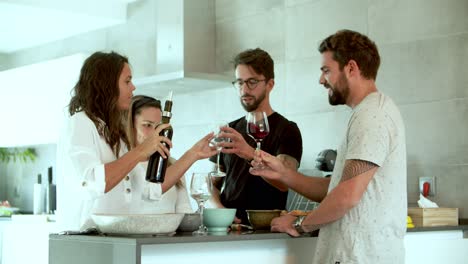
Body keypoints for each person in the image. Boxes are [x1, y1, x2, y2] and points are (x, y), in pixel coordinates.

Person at [250, 30, 407, 264]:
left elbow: (346, 196)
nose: (321, 80)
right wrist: (285, 174)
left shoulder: (372, 116)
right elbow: (337, 187)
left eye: (326, 70)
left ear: (351, 68)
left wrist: (298, 224)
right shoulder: (370, 112)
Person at [57, 51, 216, 231]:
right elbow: (91, 182)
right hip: (83, 241)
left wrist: (193, 154)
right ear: (106, 84)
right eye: (127, 81)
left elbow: (151, 191)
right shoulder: (80, 123)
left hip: (114, 238)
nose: (133, 87)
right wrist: (140, 152)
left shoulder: (114, 135)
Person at [210, 48, 303, 224]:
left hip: (266, 229)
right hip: (227, 229)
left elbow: (285, 181)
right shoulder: (230, 129)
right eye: (239, 82)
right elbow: (212, 185)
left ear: (270, 84)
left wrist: (248, 152)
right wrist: (221, 213)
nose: (244, 90)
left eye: (252, 82)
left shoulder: (287, 129)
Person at [126, 95, 216, 214]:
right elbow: (150, 193)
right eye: (147, 125)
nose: (155, 133)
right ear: (130, 126)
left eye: (158, 126)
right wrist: (192, 154)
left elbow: (184, 212)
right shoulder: (122, 166)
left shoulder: (173, 164)